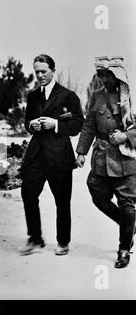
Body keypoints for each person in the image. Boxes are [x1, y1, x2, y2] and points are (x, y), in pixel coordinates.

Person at [20, 54, 84, 256]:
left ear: (53, 71)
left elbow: (77, 125)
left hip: (59, 156)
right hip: (36, 154)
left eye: (43, 72)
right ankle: (35, 238)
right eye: (36, 71)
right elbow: (27, 122)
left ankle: (63, 242)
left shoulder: (68, 96)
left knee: (62, 201)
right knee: (28, 194)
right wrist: (33, 124)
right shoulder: (32, 96)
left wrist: (55, 124)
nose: (39, 76)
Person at [75, 56, 136, 268]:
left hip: (126, 159)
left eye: (108, 75)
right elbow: (89, 125)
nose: (104, 79)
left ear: (117, 74)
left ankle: (124, 248)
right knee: (98, 196)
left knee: (127, 205)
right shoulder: (96, 95)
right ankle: (129, 226)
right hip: (101, 157)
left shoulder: (132, 95)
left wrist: (127, 136)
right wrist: (81, 151)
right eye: (101, 75)